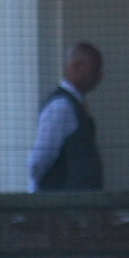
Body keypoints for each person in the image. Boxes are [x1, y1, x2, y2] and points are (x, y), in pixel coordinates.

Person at [28, 42, 104, 191]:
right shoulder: (60, 107)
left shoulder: (75, 105)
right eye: (95, 70)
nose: (100, 76)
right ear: (76, 67)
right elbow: (39, 160)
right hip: (62, 200)